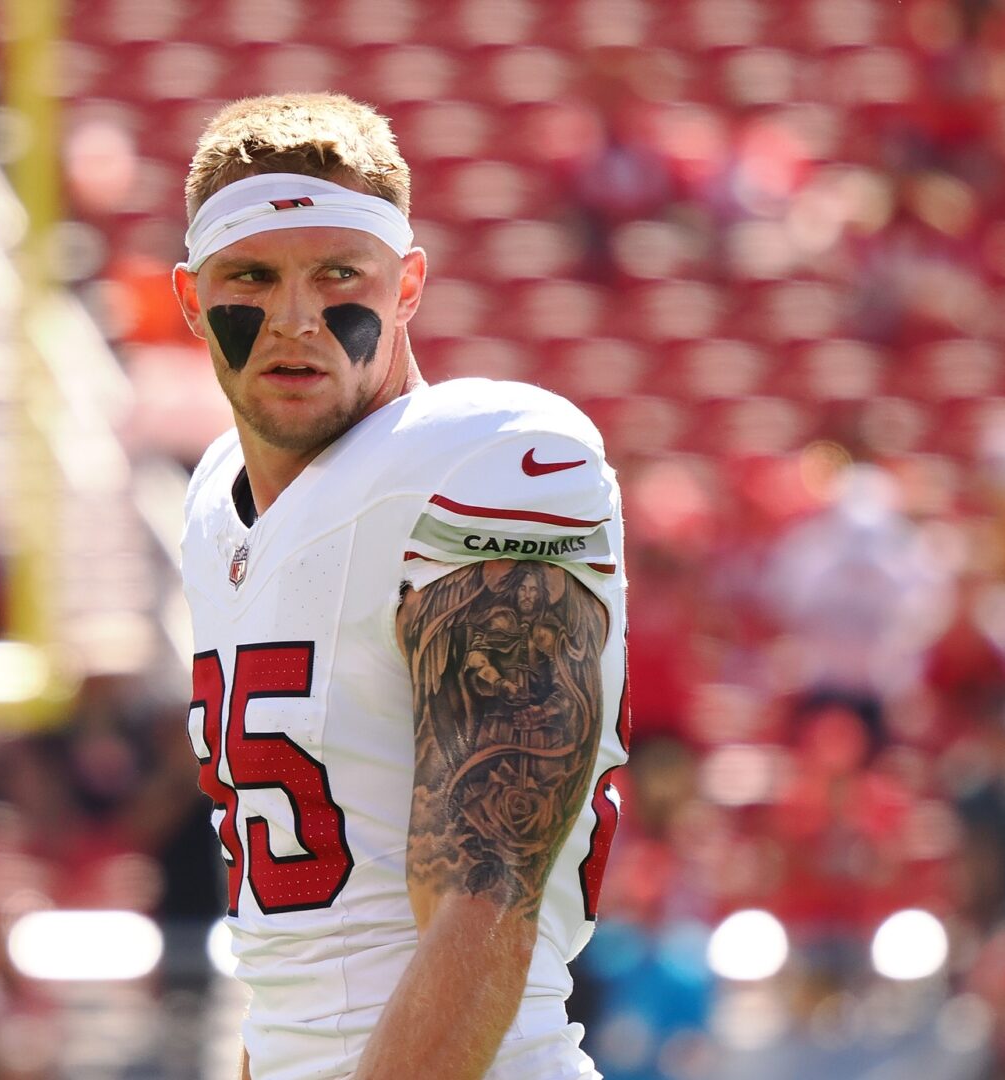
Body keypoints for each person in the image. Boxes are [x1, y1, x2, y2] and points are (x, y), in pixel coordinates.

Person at [171, 93, 629, 1080]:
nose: (295, 318)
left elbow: (486, 899)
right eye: (252, 276)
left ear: (407, 285)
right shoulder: (216, 502)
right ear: (191, 300)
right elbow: (291, 953)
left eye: (338, 274)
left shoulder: (488, 460)